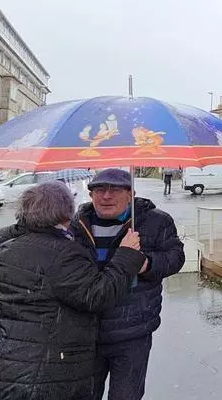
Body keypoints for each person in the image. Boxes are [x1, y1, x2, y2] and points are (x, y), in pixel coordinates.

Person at [0, 182, 144, 400]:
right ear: (65, 214)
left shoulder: (1, 240)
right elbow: (99, 295)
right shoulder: (63, 254)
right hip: (28, 374)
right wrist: (126, 255)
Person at [69, 168, 184, 400]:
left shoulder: (156, 221)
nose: (106, 196)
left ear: (131, 194)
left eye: (115, 190)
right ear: (90, 195)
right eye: (99, 190)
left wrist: (147, 264)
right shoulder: (77, 224)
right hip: (87, 331)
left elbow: (175, 257)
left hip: (132, 331)